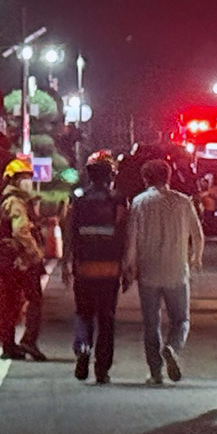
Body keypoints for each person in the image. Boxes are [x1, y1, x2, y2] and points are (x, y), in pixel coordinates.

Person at [124, 159, 204, 384]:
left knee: (151, 323)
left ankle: (155, 372)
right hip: (177, 271)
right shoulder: (183, 202)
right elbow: (197, 235)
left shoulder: (139, 203)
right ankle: (172, 348)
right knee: (181, 320)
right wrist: (195, 258)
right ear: (169, 177)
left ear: (145, 178)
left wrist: (129, 267)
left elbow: (132, 239)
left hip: (148, 272)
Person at [62, 151, 128, 384]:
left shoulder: (77, 197)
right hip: (110, 268)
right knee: (107, 319)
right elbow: (123, 233)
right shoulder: (118, 199)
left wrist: (65, 262)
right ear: (110, 175)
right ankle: (102, 370)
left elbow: (69, 231)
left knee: (84, 314)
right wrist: (127, 266)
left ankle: (82, 348)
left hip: (84, 267)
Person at [0, 156, 49, 360]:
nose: (28, 181)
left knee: (10, 302)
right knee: (34, 299)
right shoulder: (15, 201)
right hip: (21, 261)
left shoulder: (9, 199)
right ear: (14, 179)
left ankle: (8, 346)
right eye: (23, 177)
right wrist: (35, 254)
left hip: (9, 261)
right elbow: (21, 231)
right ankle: (28, 341)